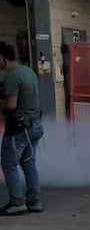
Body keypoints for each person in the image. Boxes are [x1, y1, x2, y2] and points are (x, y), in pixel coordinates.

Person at [0, 41, 44, 215]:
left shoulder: (12, 76)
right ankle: (34, 202)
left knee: (8, 163)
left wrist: (2, 108)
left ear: (2, 58)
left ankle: (17, 203)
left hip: (18, 127)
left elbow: (11, 105)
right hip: (35, 125)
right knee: (28, 163)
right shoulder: (28, 71)